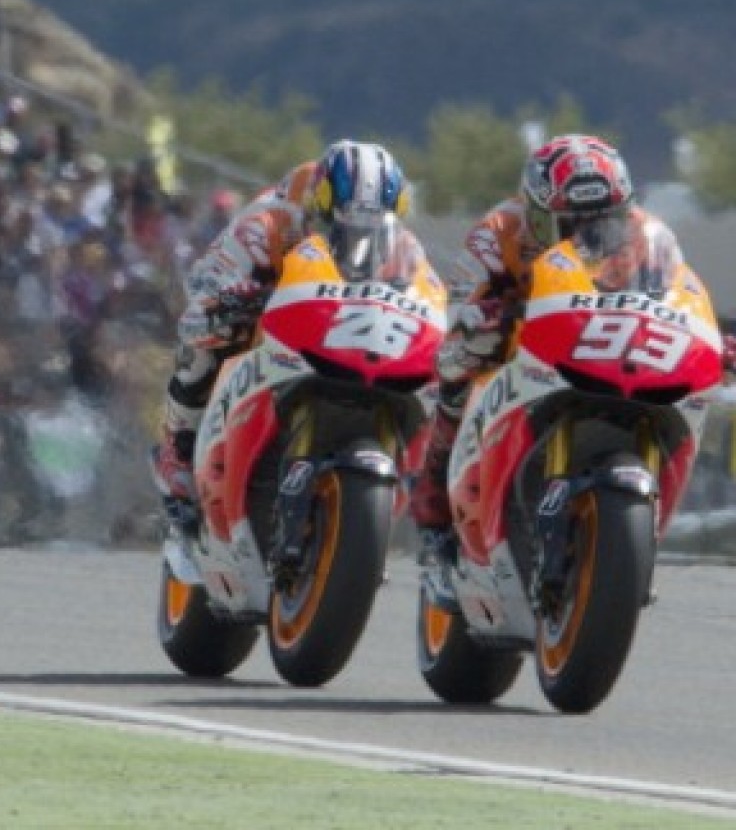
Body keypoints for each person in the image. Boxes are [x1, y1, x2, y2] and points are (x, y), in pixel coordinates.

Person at [408, 132, 714, 609]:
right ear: (535, 213)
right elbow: (454, 308)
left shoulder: (647, 237)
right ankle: (435, 518)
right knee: (455, 375)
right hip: (520, 351)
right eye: (568, 222)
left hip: (605, 349)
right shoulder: (498, 232)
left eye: (602, 221)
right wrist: (482, 317)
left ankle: (632, 542)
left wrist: (713, 340)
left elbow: (677, 294)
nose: (584, 234)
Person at [150, 139, 429, 531]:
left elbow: (429, 296)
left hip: (348, 337)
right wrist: (235, 295)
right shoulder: (268, 220)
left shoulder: (402, 244)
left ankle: (417, 478)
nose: (359, 241)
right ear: (319, 206)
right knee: (205, 334)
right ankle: (179, 445)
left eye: (373, 230)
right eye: (344, 227)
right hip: (272, 322)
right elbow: (203, 289)